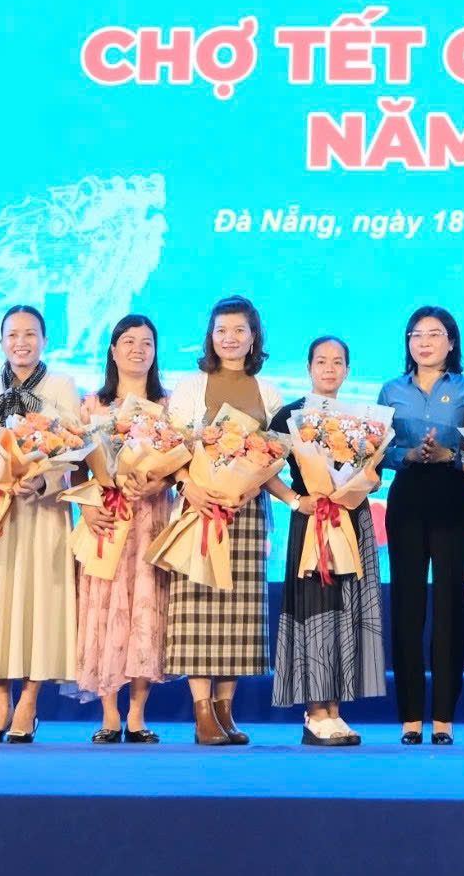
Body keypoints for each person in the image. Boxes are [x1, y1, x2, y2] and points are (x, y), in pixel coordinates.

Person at [163, 294, 291, 747]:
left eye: (239, 330)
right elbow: (170, 446)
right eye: (221, 331)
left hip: (247, 512)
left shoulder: (269, 390)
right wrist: (187, 487)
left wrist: (253, 485)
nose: (230, 339)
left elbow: (275, 454)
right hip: (198, 508)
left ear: (253, 336)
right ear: (210, 336)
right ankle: (201, 713)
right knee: (197, 611)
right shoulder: (189, 385)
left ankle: (224, 710)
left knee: (238, 614)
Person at [0, 304, 82, 743]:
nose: (20, 342)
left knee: (39, 605)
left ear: (44, 340)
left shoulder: (62, 385)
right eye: (12, 335)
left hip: (42, 510)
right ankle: (0, 706)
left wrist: (42, 480)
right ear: (1, 340)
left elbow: (73, 447)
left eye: (30, 334)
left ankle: (28, 704)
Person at [375, 305, 464, 746]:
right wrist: (406, 455)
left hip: (454, 495)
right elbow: (378, 451)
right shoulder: (390, 390)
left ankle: (443, 718)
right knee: (407, 606)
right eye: (416, 334)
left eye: (434, 334)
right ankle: (409, 719)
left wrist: (449, 457)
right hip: (406, 497)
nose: (424, 342)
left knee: (449, 607)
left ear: (452, 342)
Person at [272, 336, 387, 745]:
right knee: (316, 610)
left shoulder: (362, 418)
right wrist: (293, 499)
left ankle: (334, 710)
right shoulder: (290, 414)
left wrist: (357, 485)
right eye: (321, 361)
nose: (329, 369)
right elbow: (262, 464)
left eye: (338, 362)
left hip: (351, 520)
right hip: (313, 524)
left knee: (346, 610)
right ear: (308, 368)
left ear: (347, 370)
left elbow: (373, 470)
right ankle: (314, 711)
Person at [73, 315, 174, 743]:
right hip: (107, 519)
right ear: (112, 351)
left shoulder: (169, 405)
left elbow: (180, 465)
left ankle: (137, 714)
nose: (137, 349)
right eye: (127, 342)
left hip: (151, 519)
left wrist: (160, 480)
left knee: (146, 611)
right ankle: (109, 713)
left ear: (155, 352)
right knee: (103, 610)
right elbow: (74, 467)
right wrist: (86, 506)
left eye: (146, 342)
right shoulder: (91, 406)